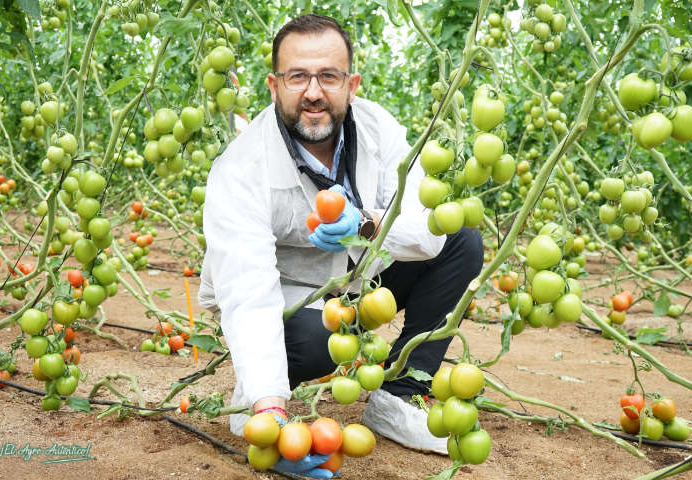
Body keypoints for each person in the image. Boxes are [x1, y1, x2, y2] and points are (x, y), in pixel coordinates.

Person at [198, 13, 483, 475]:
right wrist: (270, 416)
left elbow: (426, 230)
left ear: (352, 85)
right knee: (319, 341)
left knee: (461, 242)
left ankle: (400, 395)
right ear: (274, 86)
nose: (313, 92)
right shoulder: (240, 170)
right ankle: (257, 396)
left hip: (359, 276)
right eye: (298, 77)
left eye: (328, 76)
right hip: (290, 298)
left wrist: (368, 224)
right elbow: (248, 289)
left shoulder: (379, 131)